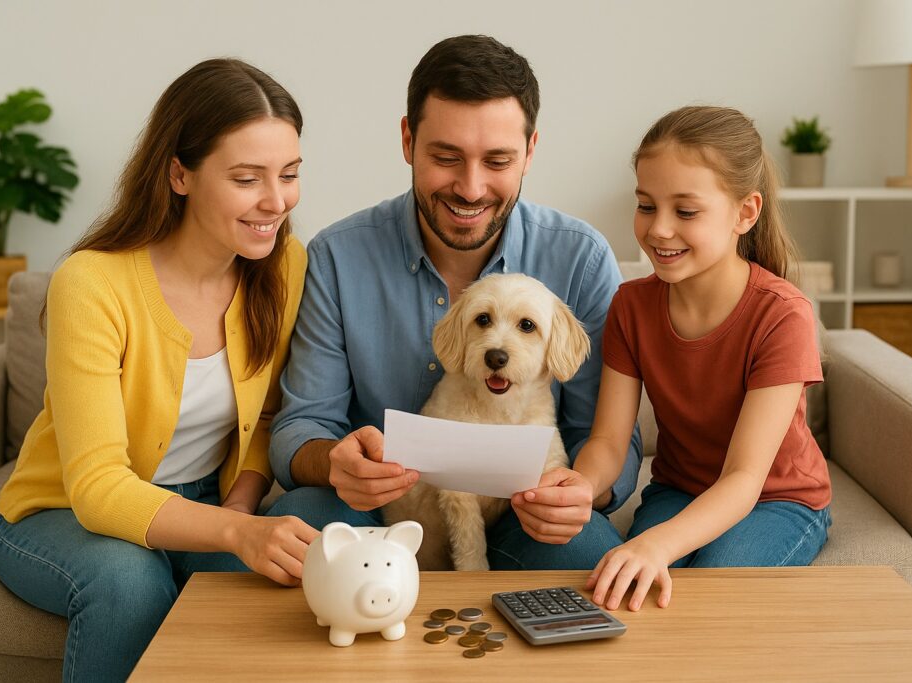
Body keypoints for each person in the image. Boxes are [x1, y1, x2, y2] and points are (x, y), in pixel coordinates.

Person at [0, 59, 317, 682]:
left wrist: (241, 511)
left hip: (207, 502)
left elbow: (269, 416)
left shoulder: (283, 265)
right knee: (129, 583)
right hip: (60, 514)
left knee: (316, 539)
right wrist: (232, 533)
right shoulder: (91, 282)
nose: (276, 202)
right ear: (179, 174)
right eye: (248, 179)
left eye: (290, 175)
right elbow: (97, 487)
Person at [267, 34, 641, 569]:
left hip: (520, 513)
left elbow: (602, 436)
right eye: (446, 157)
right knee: (306, 521)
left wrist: (582, 490)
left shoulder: (579, 258)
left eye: (497, 160)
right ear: (407, 141)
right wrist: (334, 462)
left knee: (585, 552)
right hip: (375, 510)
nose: (470, 188)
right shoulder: (336, 256)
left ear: (530, 151)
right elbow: (302, 427)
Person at [573, 106, 832, 611]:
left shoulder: (782, 316)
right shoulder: (630, 306)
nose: (659, 230)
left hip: (777, 500)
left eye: (685, 212)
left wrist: (656, 544)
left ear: (746, 212)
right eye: (646, 206)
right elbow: (607, 440)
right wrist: (580, 486)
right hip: (678, 489)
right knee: (636, 593)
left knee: (711, 588)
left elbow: (743, 479)